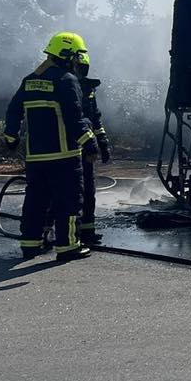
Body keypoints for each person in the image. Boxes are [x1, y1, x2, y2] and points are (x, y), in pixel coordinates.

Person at [3, 31, 95, 262]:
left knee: (35, 201)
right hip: (65, 156)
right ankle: (68, 247)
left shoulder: (30, 80)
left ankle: (30, 244)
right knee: (69, 201)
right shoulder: (66, 80)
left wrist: (11, 137)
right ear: (67, 55)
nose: (77, 62)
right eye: (76, 56)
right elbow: (75, 117)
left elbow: (13, 111)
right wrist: (90, 144)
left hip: (35, 158)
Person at [73, 48, 111, 246]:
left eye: (81, 68)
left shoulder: (88, 89)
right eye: (75, 66)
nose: (78, 71)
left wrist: (103, 143)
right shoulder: (63, 87)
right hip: (68, 149)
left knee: (88, 189)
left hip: (87, 149)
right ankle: (55, 231)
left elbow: (95, 118)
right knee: (69, 192)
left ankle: (87, 231)